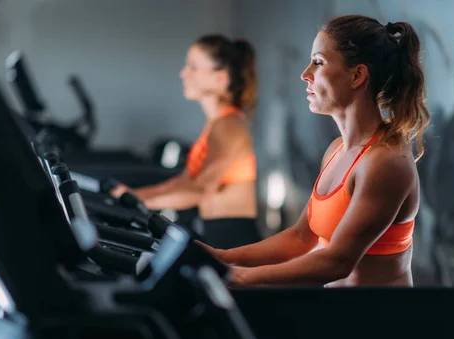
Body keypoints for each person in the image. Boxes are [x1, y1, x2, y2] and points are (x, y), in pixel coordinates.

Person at [202, 15, 430, 287]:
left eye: (318, 63)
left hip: (378, 323)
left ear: (357, 75)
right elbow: (300, 237)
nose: (305, 74)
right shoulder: (337, 150)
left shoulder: (385, 162)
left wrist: (239, 277)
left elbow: (337, 262)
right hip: (334, 316)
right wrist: (224, 258)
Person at [111, 34, 261, 249]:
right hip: (218, 231)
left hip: (234, 237)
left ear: (220, 78)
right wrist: (133, 195)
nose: (183, 73)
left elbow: (200, 190)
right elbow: (184, 182)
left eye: (193, 67)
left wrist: (138, 201)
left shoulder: (228, 125)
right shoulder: (216, 124)